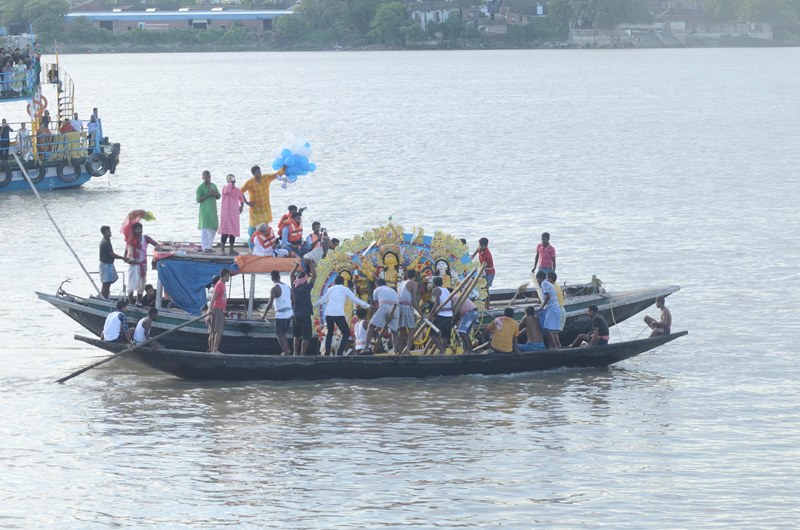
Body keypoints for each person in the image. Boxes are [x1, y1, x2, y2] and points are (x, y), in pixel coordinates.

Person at [314, 274, 370, 356]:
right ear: (343, 282)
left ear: (335, 282)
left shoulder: (331, 289)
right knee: (346, 333)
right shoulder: (345, 289)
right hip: (338, 314)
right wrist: (367, 305)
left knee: (329, 333)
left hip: (329, 313)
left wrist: (313, 305)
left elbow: (323, 299)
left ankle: (326, 353)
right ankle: (339, 352)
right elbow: (355, 299)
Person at [241, 164, 285, 247]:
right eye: (257, 172)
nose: (259, 173)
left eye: (260, 171)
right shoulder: (250, 183)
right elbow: (240, 192)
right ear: (253, 174)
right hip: (255, 211)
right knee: (254, 231)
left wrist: (283, 169)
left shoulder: (265, 178)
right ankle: (252, 247)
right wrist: (247, 202)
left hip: (265, 209)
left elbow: (276, 175)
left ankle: (264, 246)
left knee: (264, 229)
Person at [363, 278, 400, 354]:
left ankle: (366, 348)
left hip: (384, 307)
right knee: (394, 331)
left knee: (370, 326)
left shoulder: (376, 290)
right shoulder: (392, 290)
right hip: (396, 309)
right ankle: (395, 351)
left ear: (377, 285)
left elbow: (376, 306)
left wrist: (378, 324)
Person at [125, 222, 158, 305]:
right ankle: (130, 303)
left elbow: (156, 245)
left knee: (142, 284)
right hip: (133, 265)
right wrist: (128, 259)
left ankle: (138, 302)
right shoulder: (131, 240)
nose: (140, 230)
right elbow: (126, 253)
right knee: (131, 284)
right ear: (134, 230)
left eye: (141, 229)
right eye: (138, 229)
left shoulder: (145, 238)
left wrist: (158, 253)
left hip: (143, 264)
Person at [263, 270, 293, 355]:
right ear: (279, 277)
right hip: (289, 313)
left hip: (281, 314)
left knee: (279, 334)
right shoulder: (287, 286)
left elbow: (269, 304)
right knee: (283, 333)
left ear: (272, 278)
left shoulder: (274, 288)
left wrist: (264, 315)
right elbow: (293, 299)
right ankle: (286, 350)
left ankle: (286, 351)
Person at [291, 259, 316, 356]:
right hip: (306, 314)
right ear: (305, 281)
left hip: (296, 314)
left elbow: (291, 275)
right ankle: (302, 354)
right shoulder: (306, 288)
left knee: (296, 335)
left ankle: (295, 353)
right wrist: (310, 264)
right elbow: (315, 276)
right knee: (306, 336)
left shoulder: (295, 287)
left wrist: (296, 266)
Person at [218, 174, 244, 255]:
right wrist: (230, 183)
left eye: (232, 179)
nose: (231, 180)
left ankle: (231, 249)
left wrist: (241, 207)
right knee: (225, 231)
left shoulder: (238, 190)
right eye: (229, 179)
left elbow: (241, 199)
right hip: (225, 213)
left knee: (233, 231)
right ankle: (222, 250)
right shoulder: (225, 188)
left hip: (234, 213)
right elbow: (227, 191)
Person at [207, 268, 231, 353]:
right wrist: (210, 309)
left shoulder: (223, 284)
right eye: (228, 276)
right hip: (217, 309)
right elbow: (214, 297)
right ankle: (214, 350)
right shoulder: (219, 284)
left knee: (215, 331)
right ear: (225, 275)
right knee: (218, 331)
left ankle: (213, 350)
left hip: (220, 309)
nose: (229, 277)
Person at [397, 269, 421, 354]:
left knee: (402, 331)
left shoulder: (402, 283)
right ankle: (407, 349)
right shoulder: (412, 283)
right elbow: (414, 301)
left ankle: (399, 351)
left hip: (399, 307)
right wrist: (421, 313)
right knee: (412, 329)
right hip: (407, 307)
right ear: (415, 276)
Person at [99, 225, 126, 299]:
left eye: (110, 231)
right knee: (106, 283)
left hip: (109, 264)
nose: (110, 233)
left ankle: (105, 296)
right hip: (106, 264)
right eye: (108, 232)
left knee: (108, 282)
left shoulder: (107, 240)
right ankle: (104, 298)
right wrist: (123, 258)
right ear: (104, 233)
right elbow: (112, 255)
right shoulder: (105, 242)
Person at [536, 270, 562, 348]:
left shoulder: (544, 283)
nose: (537, 281)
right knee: (553, 331)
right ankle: (558, 346)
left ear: (539, 278)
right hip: (555, 308)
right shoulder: (548, 283)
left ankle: (555, 346)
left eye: (537, 280)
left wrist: (541, 307)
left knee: (547, 328)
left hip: (552, 308)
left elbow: (548, 297)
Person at [196, 170, 220, 253]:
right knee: (205, 229)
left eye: (209, 177)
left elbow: (218, 196)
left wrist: (215, 193)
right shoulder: (200, 188)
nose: (207, 179)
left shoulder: (213, 185)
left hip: (213, 210)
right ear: (203, 178)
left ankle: (209, 247)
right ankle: (205, 247)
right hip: (204, 211)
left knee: (213, 228)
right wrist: (208, 194)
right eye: (206, 177)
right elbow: (198, 199)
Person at [429, 276, 454, 355]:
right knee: (445, 335)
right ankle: (443, 351)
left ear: (434, 283)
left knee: (432, 334)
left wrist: (431, 313)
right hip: (449, 314)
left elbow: (437, 303)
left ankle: (441, 350)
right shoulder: (446, 289)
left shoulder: (436, 289)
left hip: (442, 315)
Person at [471, 237, 495, 309]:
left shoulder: (487, 256)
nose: (480, 247)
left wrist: (477, 276)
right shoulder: (480, 248)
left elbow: (483, 267)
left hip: (489, 273)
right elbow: (476, 252)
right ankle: (483, 304)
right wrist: (471, 257)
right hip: (483, 270)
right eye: (480, 245)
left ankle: (487, 307)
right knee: (482, 288)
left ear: (486, 246)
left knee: (486, 290)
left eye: (482, 246)